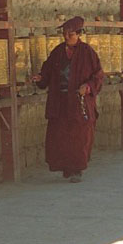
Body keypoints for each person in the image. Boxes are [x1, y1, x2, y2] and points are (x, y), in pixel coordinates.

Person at [31, 16, 104, 183]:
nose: (66, 37)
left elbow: (98, 76)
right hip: (60, 102)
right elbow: (47, 72)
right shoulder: (57, 52)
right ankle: (66, 168)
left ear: (78, 34)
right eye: (64, 34)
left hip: (79, 102)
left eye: (70, 34)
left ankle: (77, 169)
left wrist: (87, 87)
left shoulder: (88, 53)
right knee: (61, 136)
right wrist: (40, 78)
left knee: (79, 136)